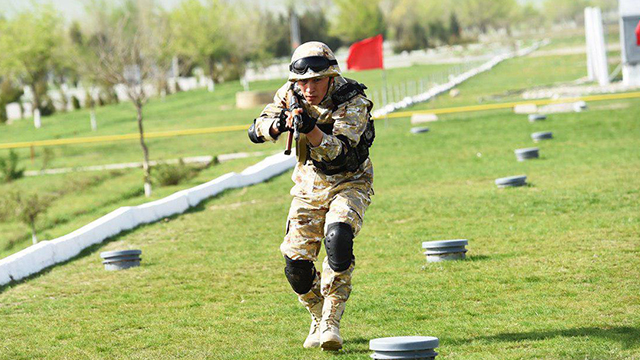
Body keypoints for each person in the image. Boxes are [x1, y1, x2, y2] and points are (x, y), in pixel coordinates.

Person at [247, 41, 374, 351]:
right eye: (302, 81)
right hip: (308, 187)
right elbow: (255, 129)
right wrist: (277, 126)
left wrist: (313, 130)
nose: (309, 88)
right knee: (296, 266)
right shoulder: (290, 93)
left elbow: (339, 153)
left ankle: (332, 319)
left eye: (316, 80)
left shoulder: (353, 99)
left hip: (350, 182)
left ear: (330, 76)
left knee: (338, 238)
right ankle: (317, 313)